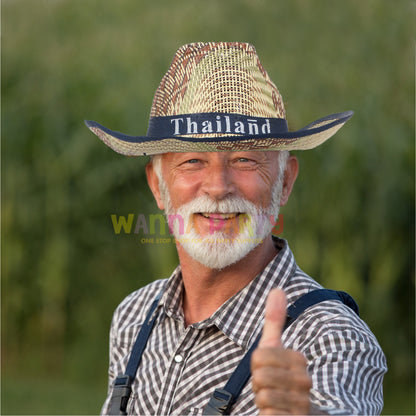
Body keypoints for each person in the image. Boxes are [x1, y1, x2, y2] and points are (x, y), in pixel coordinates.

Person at [86, 42, 387, 415]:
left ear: (285, 182)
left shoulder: (331, 339)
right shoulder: (135, 316)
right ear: (157, 185)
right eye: (193, 161)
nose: (217, 187)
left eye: (244, 160)